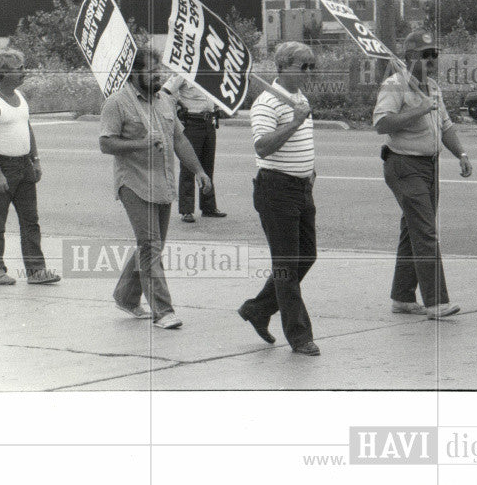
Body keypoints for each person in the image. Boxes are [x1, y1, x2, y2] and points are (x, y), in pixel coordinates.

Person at [99, 47, 212, 329]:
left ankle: (125, 296)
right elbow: (106, 144)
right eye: (150, 71)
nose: (157, 75)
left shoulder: (164, 101)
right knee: (150, 245)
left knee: (152, 246)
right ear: (135, 73)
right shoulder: (117, 103)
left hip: (162, 182)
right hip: (133, 183)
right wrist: (141, 143)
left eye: (158, 70)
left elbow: (180, 140)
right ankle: (163, 311)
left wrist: (199, 170)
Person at [373, 29, 471, 320]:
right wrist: (418, 110)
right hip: (403, 164)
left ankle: (403, 296)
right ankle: (437, 301)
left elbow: (446, 127)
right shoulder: (395, 85)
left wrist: (461, 154)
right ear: (409, 58)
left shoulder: (433, 88)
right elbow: (381, 123)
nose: (431, 60)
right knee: (426, 230)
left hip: (430, 165)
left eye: (434, 55)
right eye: (424, 55)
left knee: (413, 229)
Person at [237, 42, 321, 355]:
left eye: (311, 66)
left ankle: (258, 308)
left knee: (307, 255)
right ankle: (299, 335)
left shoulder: (298, 98)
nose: (309, 73)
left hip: (301, 188)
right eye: (303, 66)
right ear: (284, 67)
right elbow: (262, 146)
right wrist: (296, 121)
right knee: (286, 264)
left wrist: (310, 167)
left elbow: (300, 141)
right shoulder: (266, 103)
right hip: (276, 189)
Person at [0, 48, 60, 285]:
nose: (23, 73)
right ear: (3, 73)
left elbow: (27, 128)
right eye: (19, 70)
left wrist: (35, 160)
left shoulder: (21, 97)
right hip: (2, 167)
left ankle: (36, 270)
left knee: (30, 220)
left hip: (24, 166)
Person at [162, 74, 226, 224]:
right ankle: (187, 210)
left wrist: (216, 106)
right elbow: (165, 92)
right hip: (192, 122)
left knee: (207, 165)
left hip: (209, 122)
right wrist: (177, 103)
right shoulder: (183, 72)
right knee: (189, 166)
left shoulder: (209, 72)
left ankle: (208, 207)